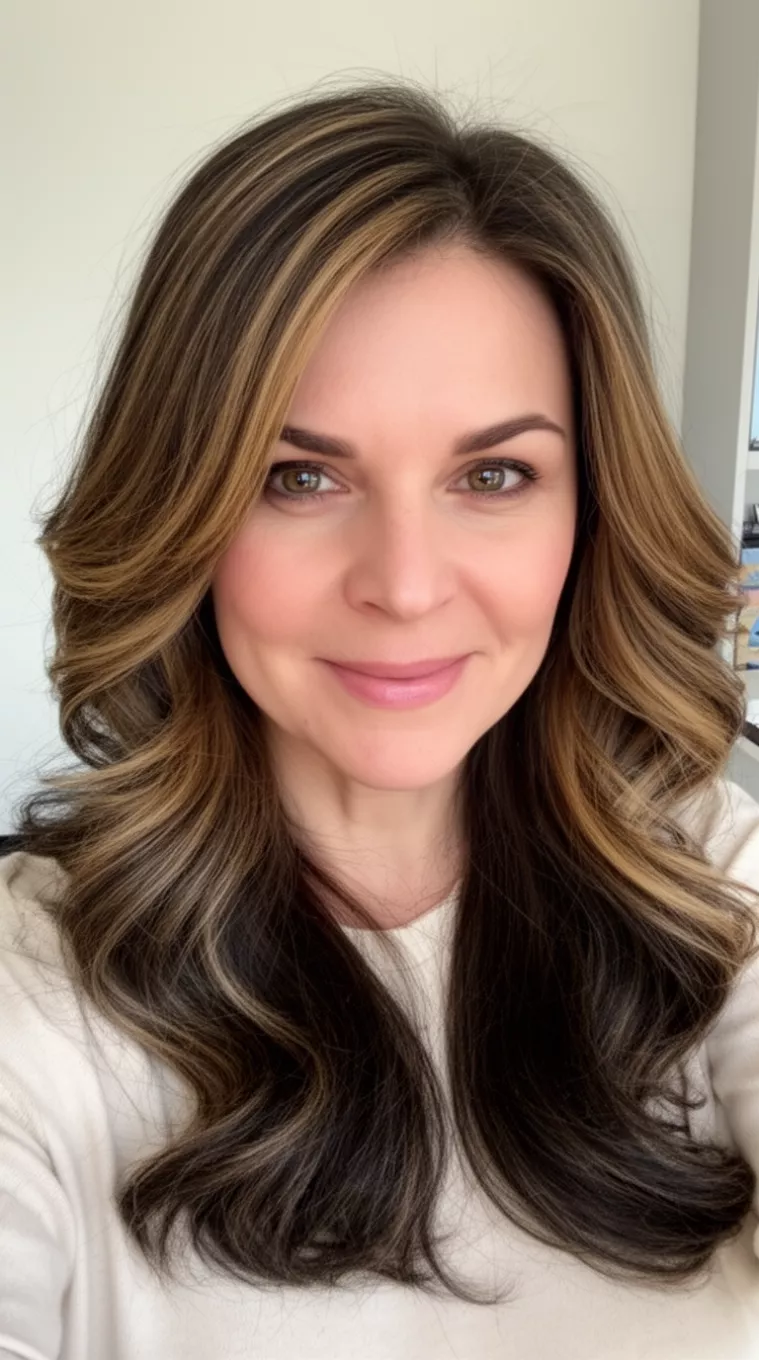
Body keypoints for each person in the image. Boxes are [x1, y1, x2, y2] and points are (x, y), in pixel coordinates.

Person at [2, 75, 759, 1360]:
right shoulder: (39, 1002)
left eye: (494, 474)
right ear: (184, 511)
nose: (404, 585)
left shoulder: (709, 883)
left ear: (590, 516)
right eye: (299, 476)